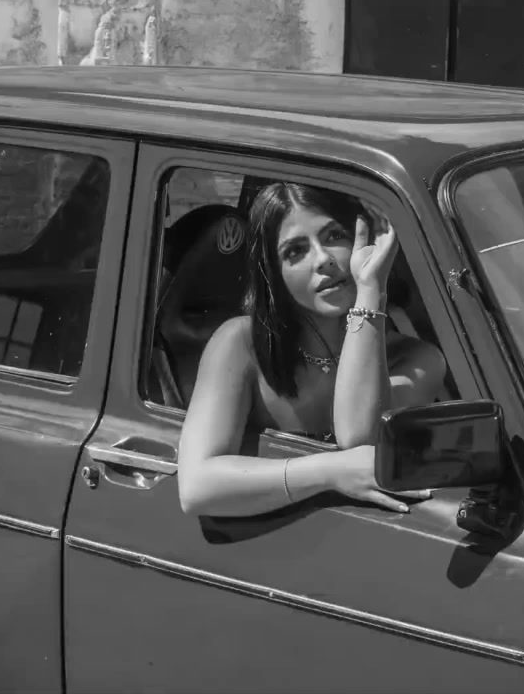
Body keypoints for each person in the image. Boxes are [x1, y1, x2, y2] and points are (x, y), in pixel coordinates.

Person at [177, 182, 448, 518]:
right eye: (295, 251)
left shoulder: (418, 360)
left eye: (334, 236)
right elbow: (197, 488)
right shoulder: (240, 343)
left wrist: (370, 289)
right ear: (275, 274)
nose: (322, 259)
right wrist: (329, 472)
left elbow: (359, 436)